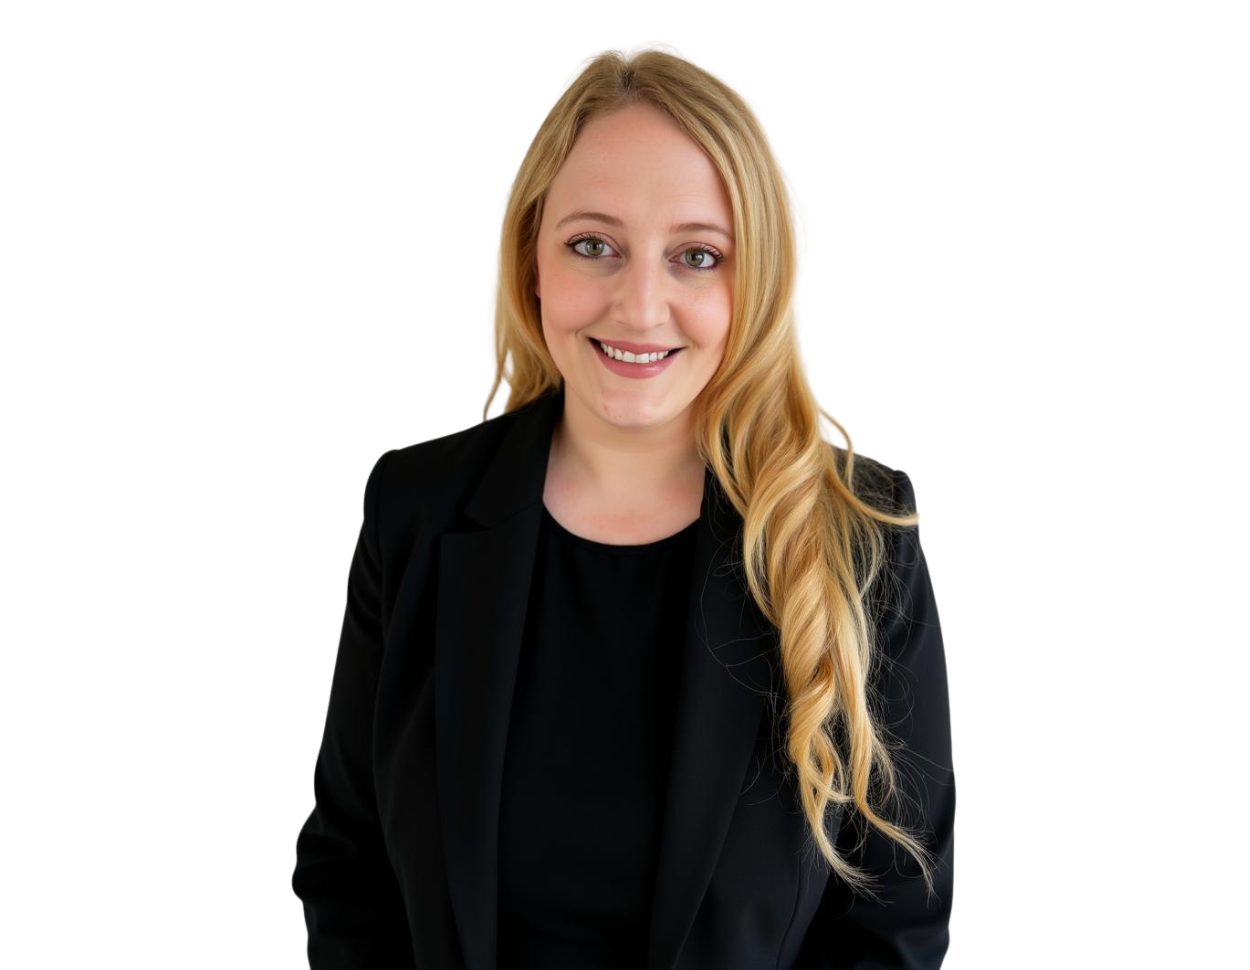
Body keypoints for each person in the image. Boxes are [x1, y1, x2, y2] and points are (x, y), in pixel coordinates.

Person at [293, 40, 954, 969]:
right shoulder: (414, 509)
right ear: (532, 257)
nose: (640, 307)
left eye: (697, 256)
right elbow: (347, 871)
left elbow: (899, 928)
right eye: (593, 246)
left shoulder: (861, 537)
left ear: (759, 281)